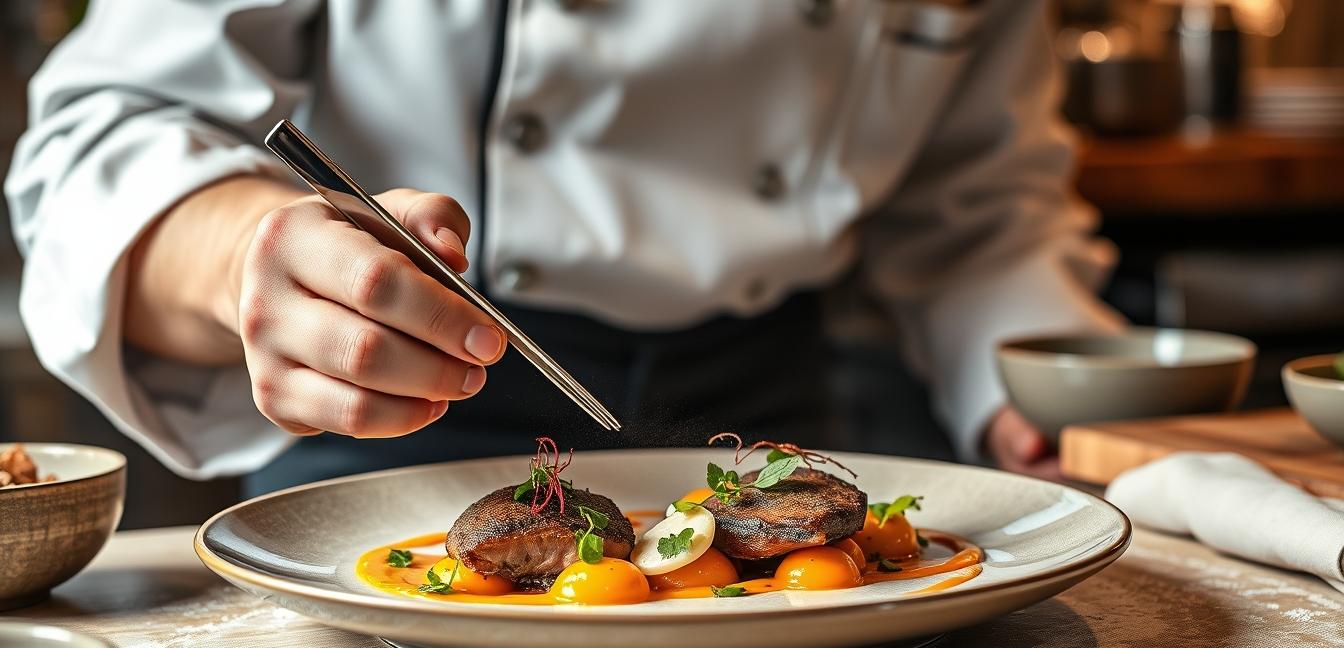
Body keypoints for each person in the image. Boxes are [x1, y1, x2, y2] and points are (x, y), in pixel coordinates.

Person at [6, 0, 1123, 497]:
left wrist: (1041, 387)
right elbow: (99, 140)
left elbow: (978, 199)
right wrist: (241, 252)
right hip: (410, 407)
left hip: (766, 427)